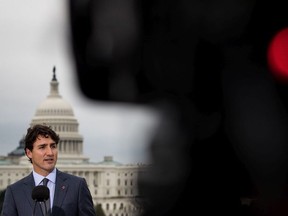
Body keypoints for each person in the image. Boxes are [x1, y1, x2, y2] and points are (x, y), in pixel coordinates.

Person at [1, 124, 96, 216]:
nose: (50, 153)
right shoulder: (15, 191)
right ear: (29, 153)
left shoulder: (77, 186)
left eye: (53, 146)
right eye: (42, 147)